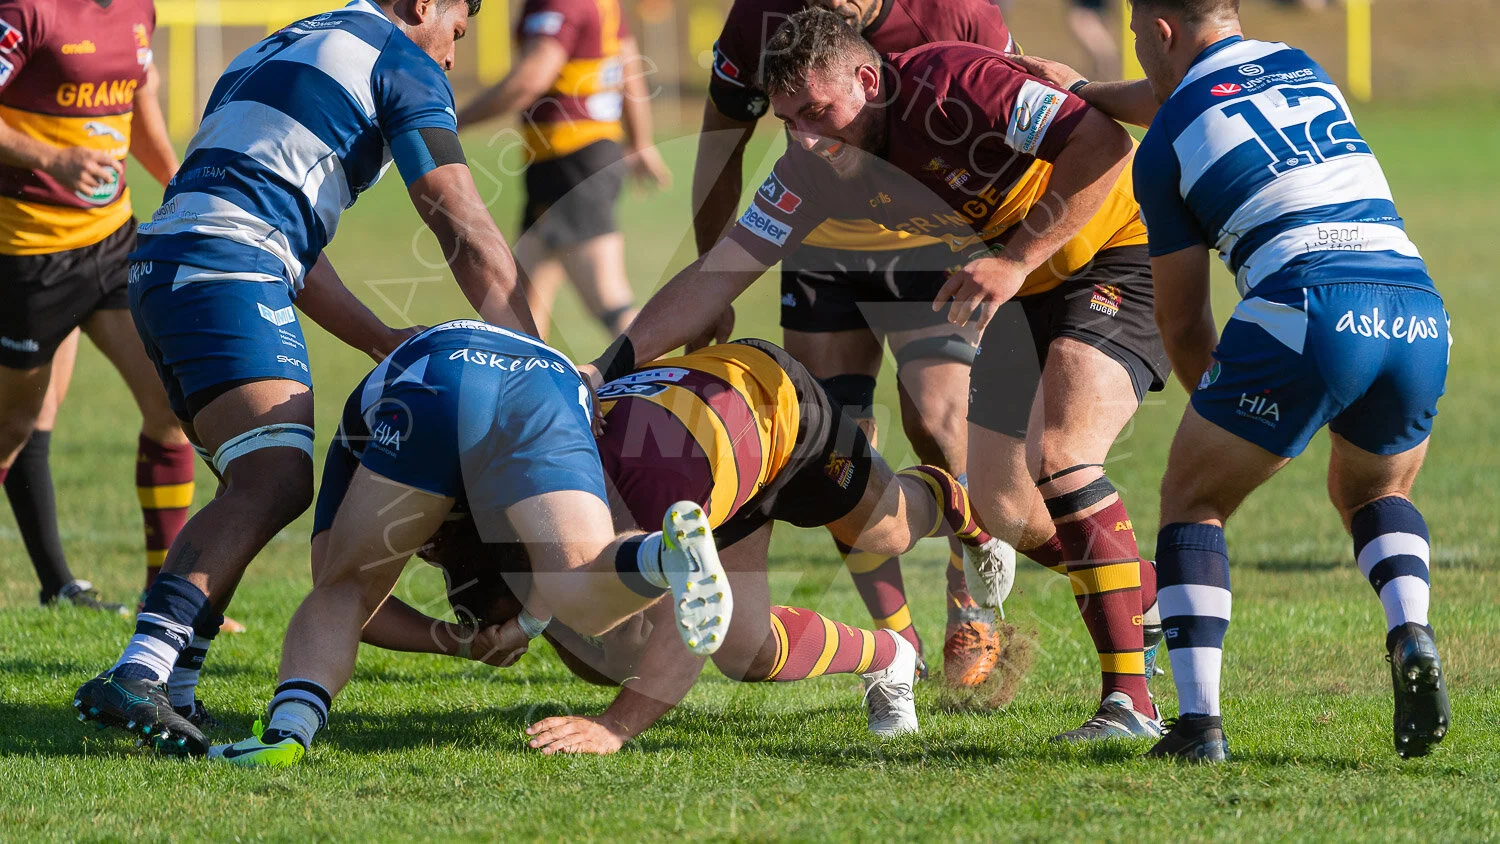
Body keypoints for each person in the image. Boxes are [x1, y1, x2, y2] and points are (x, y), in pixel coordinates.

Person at [591, 9, 1171, 741]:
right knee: (1004, 510)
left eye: (817, 113)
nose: (803, 135)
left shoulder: (954, 83)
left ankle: (1130, 704)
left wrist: (1018, 258)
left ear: (868, 80)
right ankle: (1154, 596)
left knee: (1060, 456)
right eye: (788, 121)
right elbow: (717, 273)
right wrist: (604, 366)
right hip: (1017, 286)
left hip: (1115, 252)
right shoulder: (811, 165)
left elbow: (1104, 142)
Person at [73, 0, 539, 756]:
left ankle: (178, 687)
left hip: (167, 267)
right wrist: (536, 365)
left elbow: (287, 230)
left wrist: (381, 338)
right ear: (424, 4)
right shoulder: (401, 59)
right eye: (455, 29)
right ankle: (142, 669)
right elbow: (459, 218)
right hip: (225, 267)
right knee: (276, 480)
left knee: (251, 479)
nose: (451, 56)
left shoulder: (288, 42)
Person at [1018, 0, 1450, 762]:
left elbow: (1182, 320)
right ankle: (1409, 628)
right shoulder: (1303, 67)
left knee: (1193, 499)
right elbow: (1188, 96)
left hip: (1307, 303)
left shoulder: (1162, 151)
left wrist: (1222, 406)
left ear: (1158, 31)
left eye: (1135, 36)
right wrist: (1088, 88)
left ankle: (1199, 725)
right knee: (1377, 494)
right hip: (1415, 305)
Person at [354, 338, 1015, 754]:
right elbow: (351, 595)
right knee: (743, 651)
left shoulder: (640, 507)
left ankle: (960, 504)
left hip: (776, 408)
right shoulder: (515, 498)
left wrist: (614, 727)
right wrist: (486, 633)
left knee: (888, 529)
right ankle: (893, 656)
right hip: (709, 464)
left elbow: (686, 622)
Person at [207, 320, 735, 767]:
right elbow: (541, 580)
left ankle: (285, 737)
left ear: (437, 547)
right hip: (549, 376)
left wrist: (464, 640)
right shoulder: (506, 535)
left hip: (440, 371)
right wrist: (523, 622)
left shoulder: (455, 527)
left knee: (344, 587)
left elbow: (338, 590)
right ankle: (662, 555)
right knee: (581, 585)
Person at [694, 0, 1019, 689]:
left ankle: (973, 608)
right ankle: (897, 642)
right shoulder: (757, 16)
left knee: (939, 423)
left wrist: (1011, 258)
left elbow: (1010, 119)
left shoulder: (957, 12)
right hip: (821, 249)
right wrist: (711, 285)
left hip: (933, 244)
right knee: (841, 452)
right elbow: (721, 141)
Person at [0, 0, 197, 616]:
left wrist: (186, 187)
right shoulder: (27, 10)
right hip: (29, 255)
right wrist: (54, 159)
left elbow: (139, 111)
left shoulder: (141, 10)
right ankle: (57, 579)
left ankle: (163, 596)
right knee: (12, 427)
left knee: (171, 405)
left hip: (113, 243)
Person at [456, 0, 668, 340]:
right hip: (579, 160)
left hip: (570, 163)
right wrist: (640, 141)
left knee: (607, 299)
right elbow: (629, 66)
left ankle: (667, 383)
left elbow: (532, 77)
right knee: (519, 304)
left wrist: (456, 119)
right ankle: (529, 390)